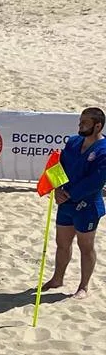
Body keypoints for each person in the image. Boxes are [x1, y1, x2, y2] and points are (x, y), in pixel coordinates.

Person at [42, 107, 106, 300]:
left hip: (87, 205)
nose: (80, 126)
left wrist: (68, 194)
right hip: (66, 202)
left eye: (84, 123)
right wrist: (56, 188)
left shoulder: (103, 150)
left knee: (85, 246)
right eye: (80, 121)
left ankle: (83, 286)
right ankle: (57, 278)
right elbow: (57, 166)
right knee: (62, 242)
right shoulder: (72, 142)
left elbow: (96, 182)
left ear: (98, 126)